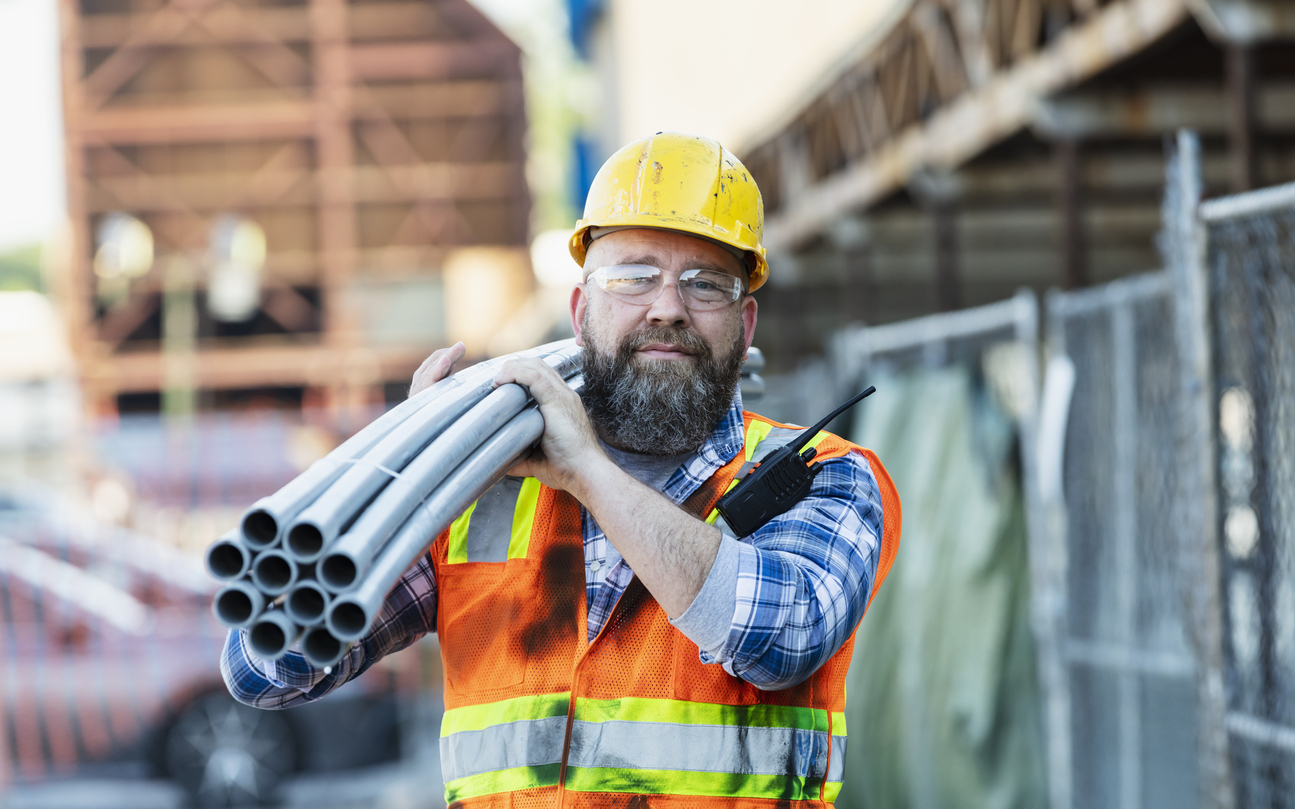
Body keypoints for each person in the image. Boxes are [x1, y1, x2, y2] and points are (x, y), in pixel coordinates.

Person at [222, 131, 901, 807]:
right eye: (632, 276)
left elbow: (782, 637)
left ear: (744, 324)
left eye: (704, 283)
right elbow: (267, 671)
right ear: (580, 312)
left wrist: (586, 472)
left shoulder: (827, 478)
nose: (666, 305)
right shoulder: (483, 490)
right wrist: (404, 480)